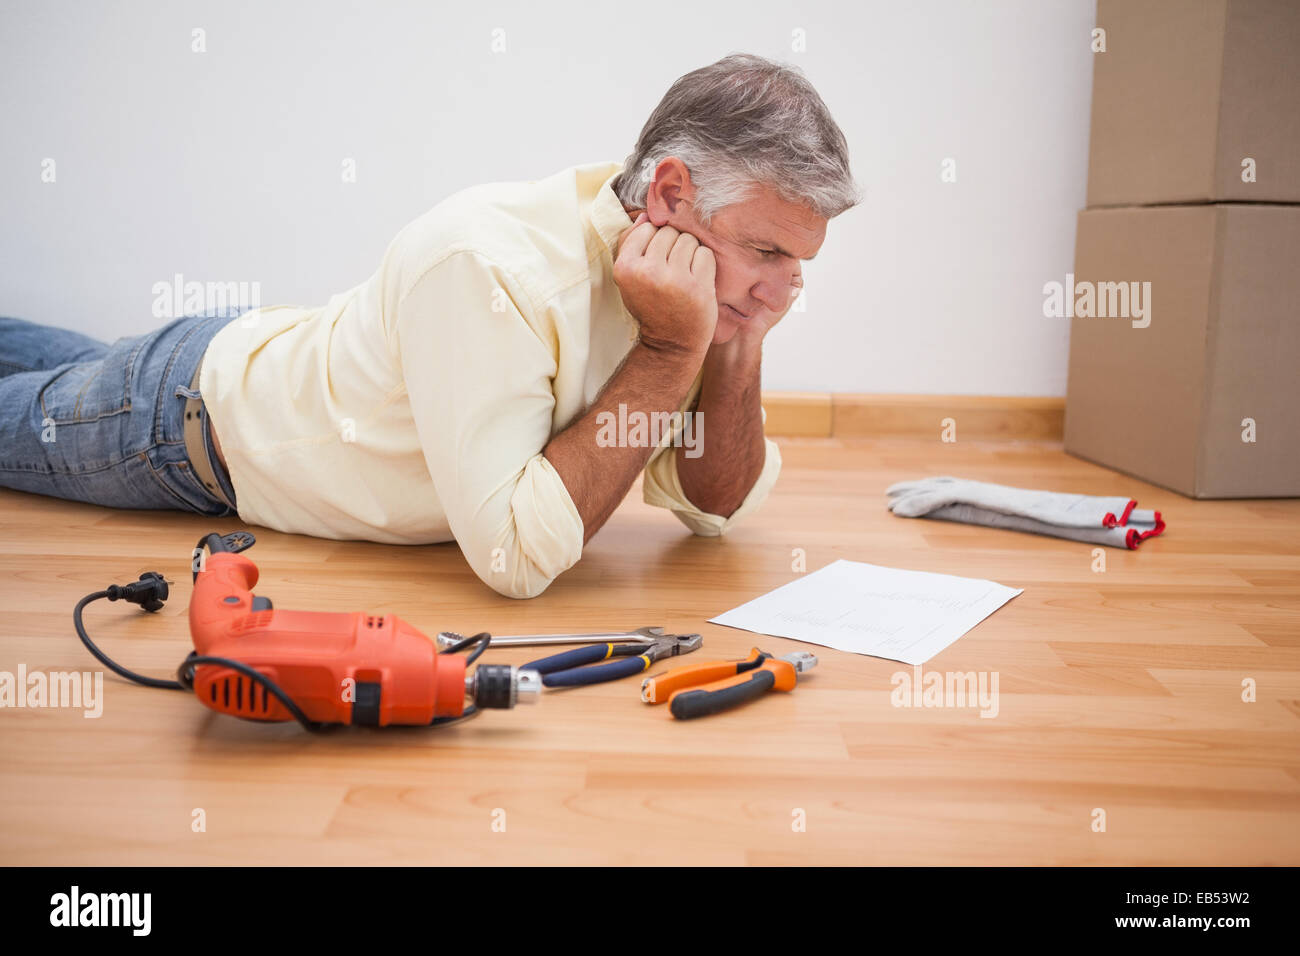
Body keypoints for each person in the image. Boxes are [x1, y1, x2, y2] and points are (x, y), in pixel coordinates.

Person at [0, 53, 859, 598]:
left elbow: (714, 507)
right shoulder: (488, 266)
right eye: (766, 252)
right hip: (182, 426)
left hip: (249, 355)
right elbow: (517, 560)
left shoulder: (699, 288)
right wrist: (673, 349)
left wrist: (736, 337)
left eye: (798, 266)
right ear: (671, 194)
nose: (785, 290)